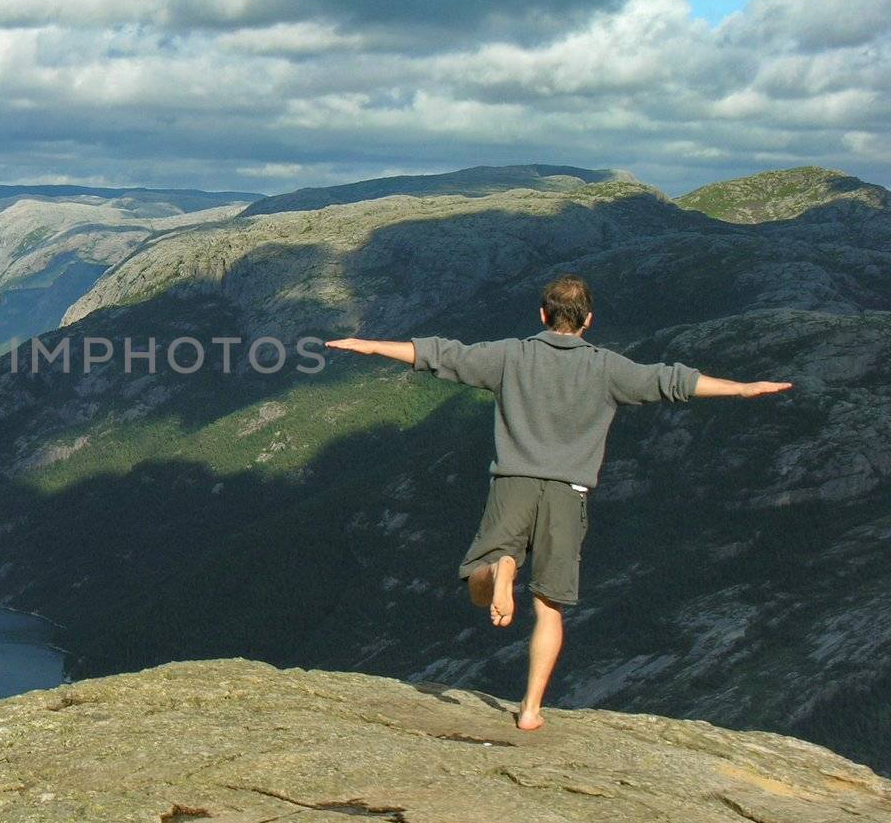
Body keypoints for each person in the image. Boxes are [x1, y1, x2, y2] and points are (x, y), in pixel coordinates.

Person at [323, 274, 791, 731]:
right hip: (569, 493)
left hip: (513, 483)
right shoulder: (608, 367)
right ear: (588, 320)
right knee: (549, 608)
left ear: (543, 315)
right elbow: (672, 381)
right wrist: (742, 388)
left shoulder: (510, 356)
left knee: (478, 581)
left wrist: (369, 345)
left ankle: (500, 566)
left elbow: (439, 354)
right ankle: (529, 709)